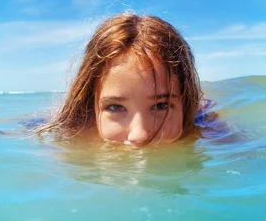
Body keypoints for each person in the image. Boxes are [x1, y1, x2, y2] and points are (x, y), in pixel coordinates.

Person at [34, 13, 216, 147]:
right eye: (115, 107)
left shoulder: (203, 126)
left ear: (185, 103)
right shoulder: (76, 130)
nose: (140, 135)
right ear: (91, 105)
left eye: (161, 105)